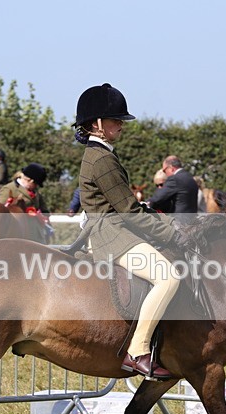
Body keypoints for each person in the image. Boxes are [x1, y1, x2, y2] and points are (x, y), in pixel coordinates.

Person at [73, 83, 194, 380]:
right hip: (110, 232)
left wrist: (169, 224)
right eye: (115, 120)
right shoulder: (101, 159)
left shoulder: (102, 154)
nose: (120, 125)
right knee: (168, 277)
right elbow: (129, 210)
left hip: (114, 227)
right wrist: (173, 234)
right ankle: (138, 350)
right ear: (96, 125)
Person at [0, 163, 51, 243]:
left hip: (36, 233)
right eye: (35, 184)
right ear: (31, 181)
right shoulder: (9, 188)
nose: (36, 187)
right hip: (17, 233)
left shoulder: (35, 191)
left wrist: (44, 216)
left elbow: (44, 209)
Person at [147, 155, 200, 222]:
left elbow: (157, 198)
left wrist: (145, 204)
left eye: (164, 170)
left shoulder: (174, 179)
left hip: (180, 222)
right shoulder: (189, 177)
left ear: (171, 168)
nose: (165, 173)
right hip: (192, 220)